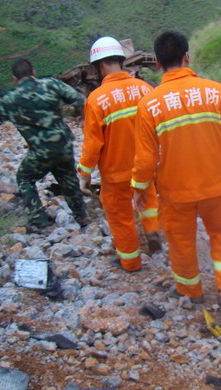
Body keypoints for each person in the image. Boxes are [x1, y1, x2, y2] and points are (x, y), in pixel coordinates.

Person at [131, 31, 221, 314]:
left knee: (181, 242)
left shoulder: (149, 104)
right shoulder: (214, 91)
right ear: (187, 56)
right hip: (218, 186)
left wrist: (138, 189)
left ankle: (190, 291)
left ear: (157, 63)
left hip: (176, 192)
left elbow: (146, 159)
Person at [77, 37, 161, 272]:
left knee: (121, 218)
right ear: (122, 61)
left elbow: (93, 144)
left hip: (115, 174)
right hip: (145, 166)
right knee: (148, 199)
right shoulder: (145, 89)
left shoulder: (96, 99)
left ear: (98, 66)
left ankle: (131, 262)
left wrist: (84, 174)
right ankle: (152, 230)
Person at [0, 59, 88, 230]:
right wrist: (81, 119)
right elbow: (79, 99)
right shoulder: (51, 84)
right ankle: (81, 215)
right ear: (34, 72)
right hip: (63, 144)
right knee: (68, 179)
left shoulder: (11, 99)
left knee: (24, 178)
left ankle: (38, 219)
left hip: (40, 152)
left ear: (14, 79)